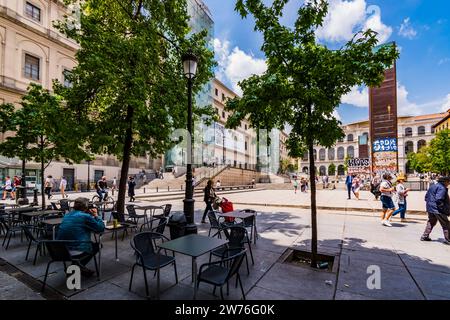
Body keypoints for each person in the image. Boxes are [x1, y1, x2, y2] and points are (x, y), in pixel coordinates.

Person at [56, 197, 105, 276]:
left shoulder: (67, 215)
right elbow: (100, 228)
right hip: (75, 250)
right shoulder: (85, 217)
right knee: (98, 245)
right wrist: (96, 215)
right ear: (85, 207)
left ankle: (79, 267)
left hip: (61, 250)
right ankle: (75, 267)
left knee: (88, 243)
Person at [421, 176, 450, 244]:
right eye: (448, 182)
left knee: (431, 222)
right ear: (445, 182)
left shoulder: (432, 186)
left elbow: (426, 197)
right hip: (438, 209)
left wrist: (430, 204)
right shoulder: (442, 188)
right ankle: (448, 239)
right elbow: (439, 199)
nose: (448, 184)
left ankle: (425, 236)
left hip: (430, 208)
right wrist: (443, 209)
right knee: (446, 223)